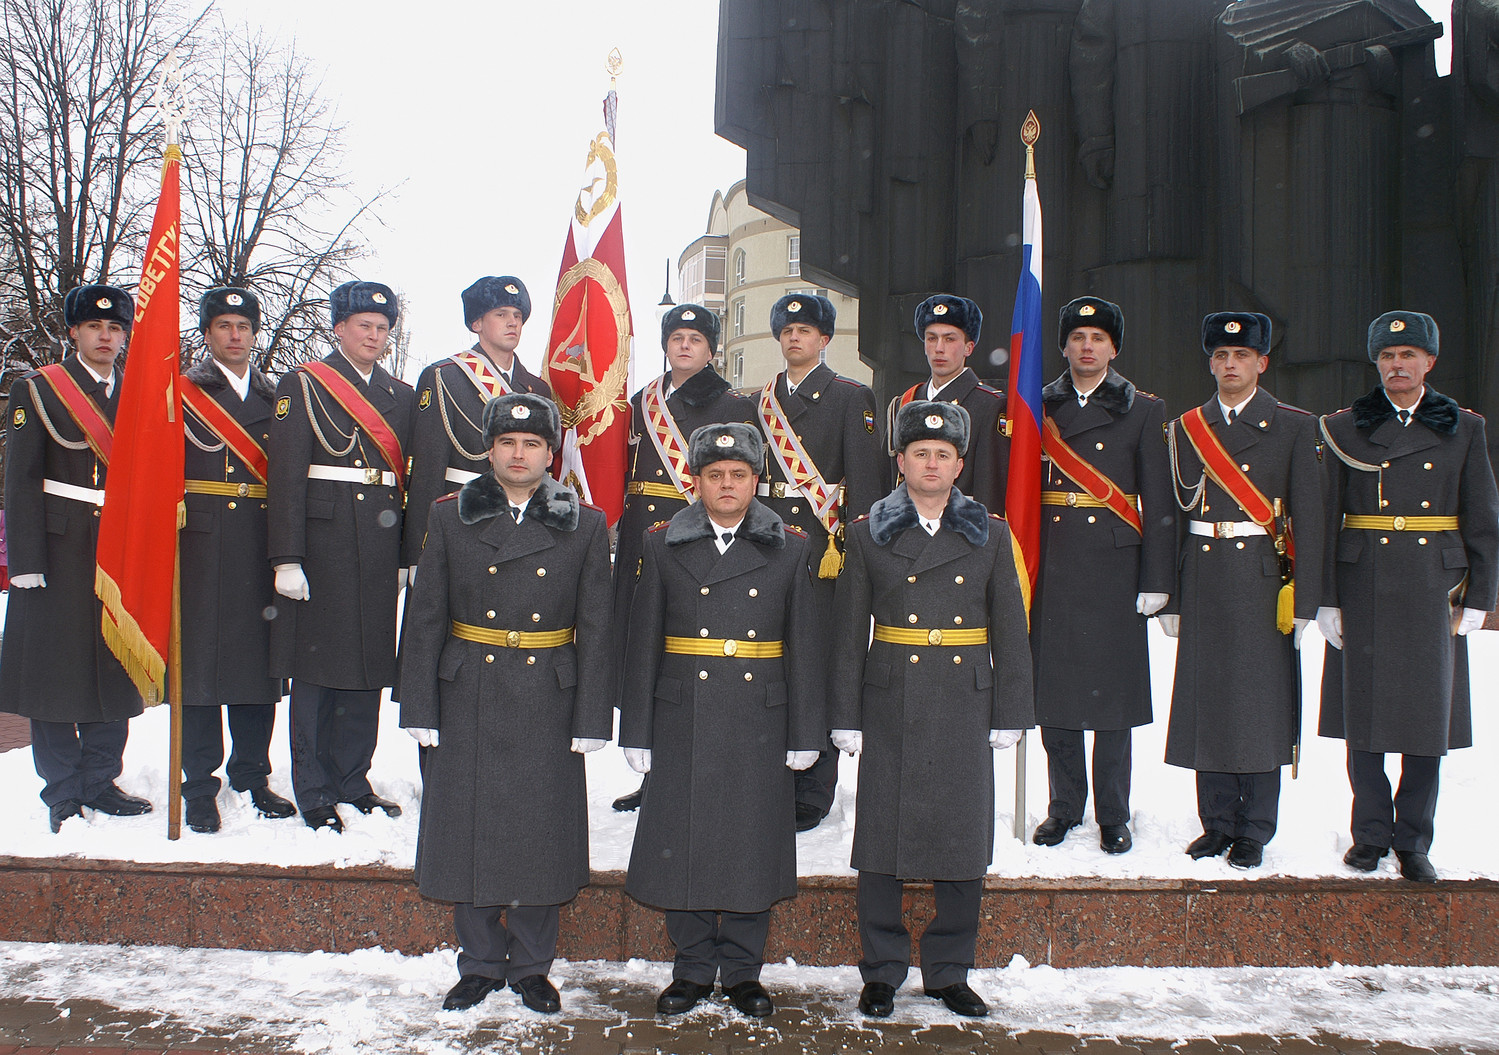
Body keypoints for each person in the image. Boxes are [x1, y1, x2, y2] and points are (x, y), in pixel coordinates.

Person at [398, 392, 613, 1015]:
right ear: (488, 449)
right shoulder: (448, 516)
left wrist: (593, 715)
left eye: (533, 444)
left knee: (540, 832)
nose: (519, 455)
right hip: (468, 689)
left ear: (551, 453)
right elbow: (427, 615)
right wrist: (419, 705)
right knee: (469, 826)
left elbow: (597, 627)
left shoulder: (585, 523)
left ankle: (531, 966)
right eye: (507, 443)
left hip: (549, 690)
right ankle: (480, 963)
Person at [829, 400, 1033, 1019]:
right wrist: (845, 713)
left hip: (964, 699)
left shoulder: (991, 533)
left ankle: (949, 969)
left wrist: (1011, 711)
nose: (932, 463)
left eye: (943, 454)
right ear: (900, 461)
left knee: (962, 839)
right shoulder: (867, 533)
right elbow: (847, 632)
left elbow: (1011, 628)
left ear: (960, 464)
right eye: (920, 452)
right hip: (892, 696)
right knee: (881, 841)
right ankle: (882, 970)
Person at [619, 422, 822, 1019]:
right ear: (697, 481)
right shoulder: (662, 545)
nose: (727, 485)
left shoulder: (791, 545)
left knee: (750, 844)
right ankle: (689, 969)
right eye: (715, 475)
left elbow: (806, 643)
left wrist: (805, 731)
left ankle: (742, 971)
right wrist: (637, 728)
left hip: (760, 713)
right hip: (685, 713)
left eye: (739, 475)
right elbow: (643, 640)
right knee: (685, 841)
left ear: (757, 480)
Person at [1317, 310, 1499, 882]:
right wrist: (1324, 596)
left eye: (1409, 356)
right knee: (1363, 714)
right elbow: (1323, 516)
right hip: (1363, 578)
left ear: (1429, 363)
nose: (1398, 365)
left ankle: (1414, 840)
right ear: (1377, 364)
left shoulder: (1463, 428)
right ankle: (1369, 834)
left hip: (1432, 586)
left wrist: (1480, 598)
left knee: (1426, 719)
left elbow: (1482, 515)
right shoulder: (1344, 427)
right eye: (1388, 357)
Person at [1161, 312, 1323, 869]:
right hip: (1203, 577)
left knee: (1259, 704)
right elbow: (1170, 519)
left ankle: (1255, 825)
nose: (1230, 365)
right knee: (1210, 700)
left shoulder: (1296, 427)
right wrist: (1171, 595)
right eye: (1221, 356)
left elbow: (1311, 518)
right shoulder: (1187, 428)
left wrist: (1306, 602)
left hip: (1262, 578)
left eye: (1241, 356)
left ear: (1262, 363)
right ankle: (1217, 821)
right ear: (1211, 362)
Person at [0, 284, 152, 832]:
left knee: (112, 666)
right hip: (59, 547)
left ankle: (101, 778)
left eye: (115, 329)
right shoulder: (39, 390)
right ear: (74, 332)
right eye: (95, 327)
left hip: (119, 550)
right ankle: (62, 789)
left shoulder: (139, 394)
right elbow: (19, 481)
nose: (106, 337)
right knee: (55, 671)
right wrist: (26, 558)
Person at [267, 279, 416, 831]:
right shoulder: (302, 386)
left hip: (377, 548)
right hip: (321, 546)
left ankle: (354, 778)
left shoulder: (401, 398)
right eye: (364, 327)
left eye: (382, 329)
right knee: (317, 672)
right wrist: (286, 557)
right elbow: (284, 477)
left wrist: (405, 552)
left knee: (365, 670)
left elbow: (411, 483)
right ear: (338, 329)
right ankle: (314, 787)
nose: (374, 336)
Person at [1029, 296, 1174, 854]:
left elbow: (1158, 498)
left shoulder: (1143, 409)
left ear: (1114, 349)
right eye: (1077, 338)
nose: (1086, 348)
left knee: (1113, 700)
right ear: (1064, 346)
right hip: (1057, 566)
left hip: (1115, 567)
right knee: (1057, 698)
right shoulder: (1037, 405)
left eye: (1098, 339)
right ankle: (1064, 807)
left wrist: (1156, 578)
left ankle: (1114, 812)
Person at [609, 303, 756, 813]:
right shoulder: (642, 399)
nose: (685, 345)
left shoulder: (734, 405)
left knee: (682, 652)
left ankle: (690, 773)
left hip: (689, 535)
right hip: (638, 538)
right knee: (643, 649)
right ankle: (652, 770)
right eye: (677, 337)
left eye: (696, 338)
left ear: (712, 348)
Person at [755, 293, 885, 832]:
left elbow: (868, 490)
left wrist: (860, 561)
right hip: (769, 551)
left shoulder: (851, 397)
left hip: (825, 553)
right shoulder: (759, 402)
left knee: (824, 663)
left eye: (805, 331)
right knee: (776, 661)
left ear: (824, 340)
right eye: (787, 331)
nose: (794, 338)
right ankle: (774, 772)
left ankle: (816, 784)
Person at [178, 286, 295, 833]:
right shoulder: (181, 393)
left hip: (257, 540)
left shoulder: (277, 399)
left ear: (254, 334)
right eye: (224, 326)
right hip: (199, 541)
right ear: (208, 334)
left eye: (243, 327)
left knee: (256, 661)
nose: (235, 336)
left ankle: (251, 773)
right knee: (198, 663)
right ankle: (197, 783)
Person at [403, 276, 551, 578]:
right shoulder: (444, 377)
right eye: (501, 314)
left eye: (518, 316)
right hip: (461, 517)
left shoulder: (538, 391)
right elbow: (427, 472)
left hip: (520, 522)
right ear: (476, 323)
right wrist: (419, 551)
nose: (512, 323)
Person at [884, 294, 1007, 513]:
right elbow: (887, 479)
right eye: (932, 338)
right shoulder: (903, 403)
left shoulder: (990, 406)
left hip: (960, 532)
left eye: (950, 339)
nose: (939, 348)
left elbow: (990, 489)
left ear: (968, 347)